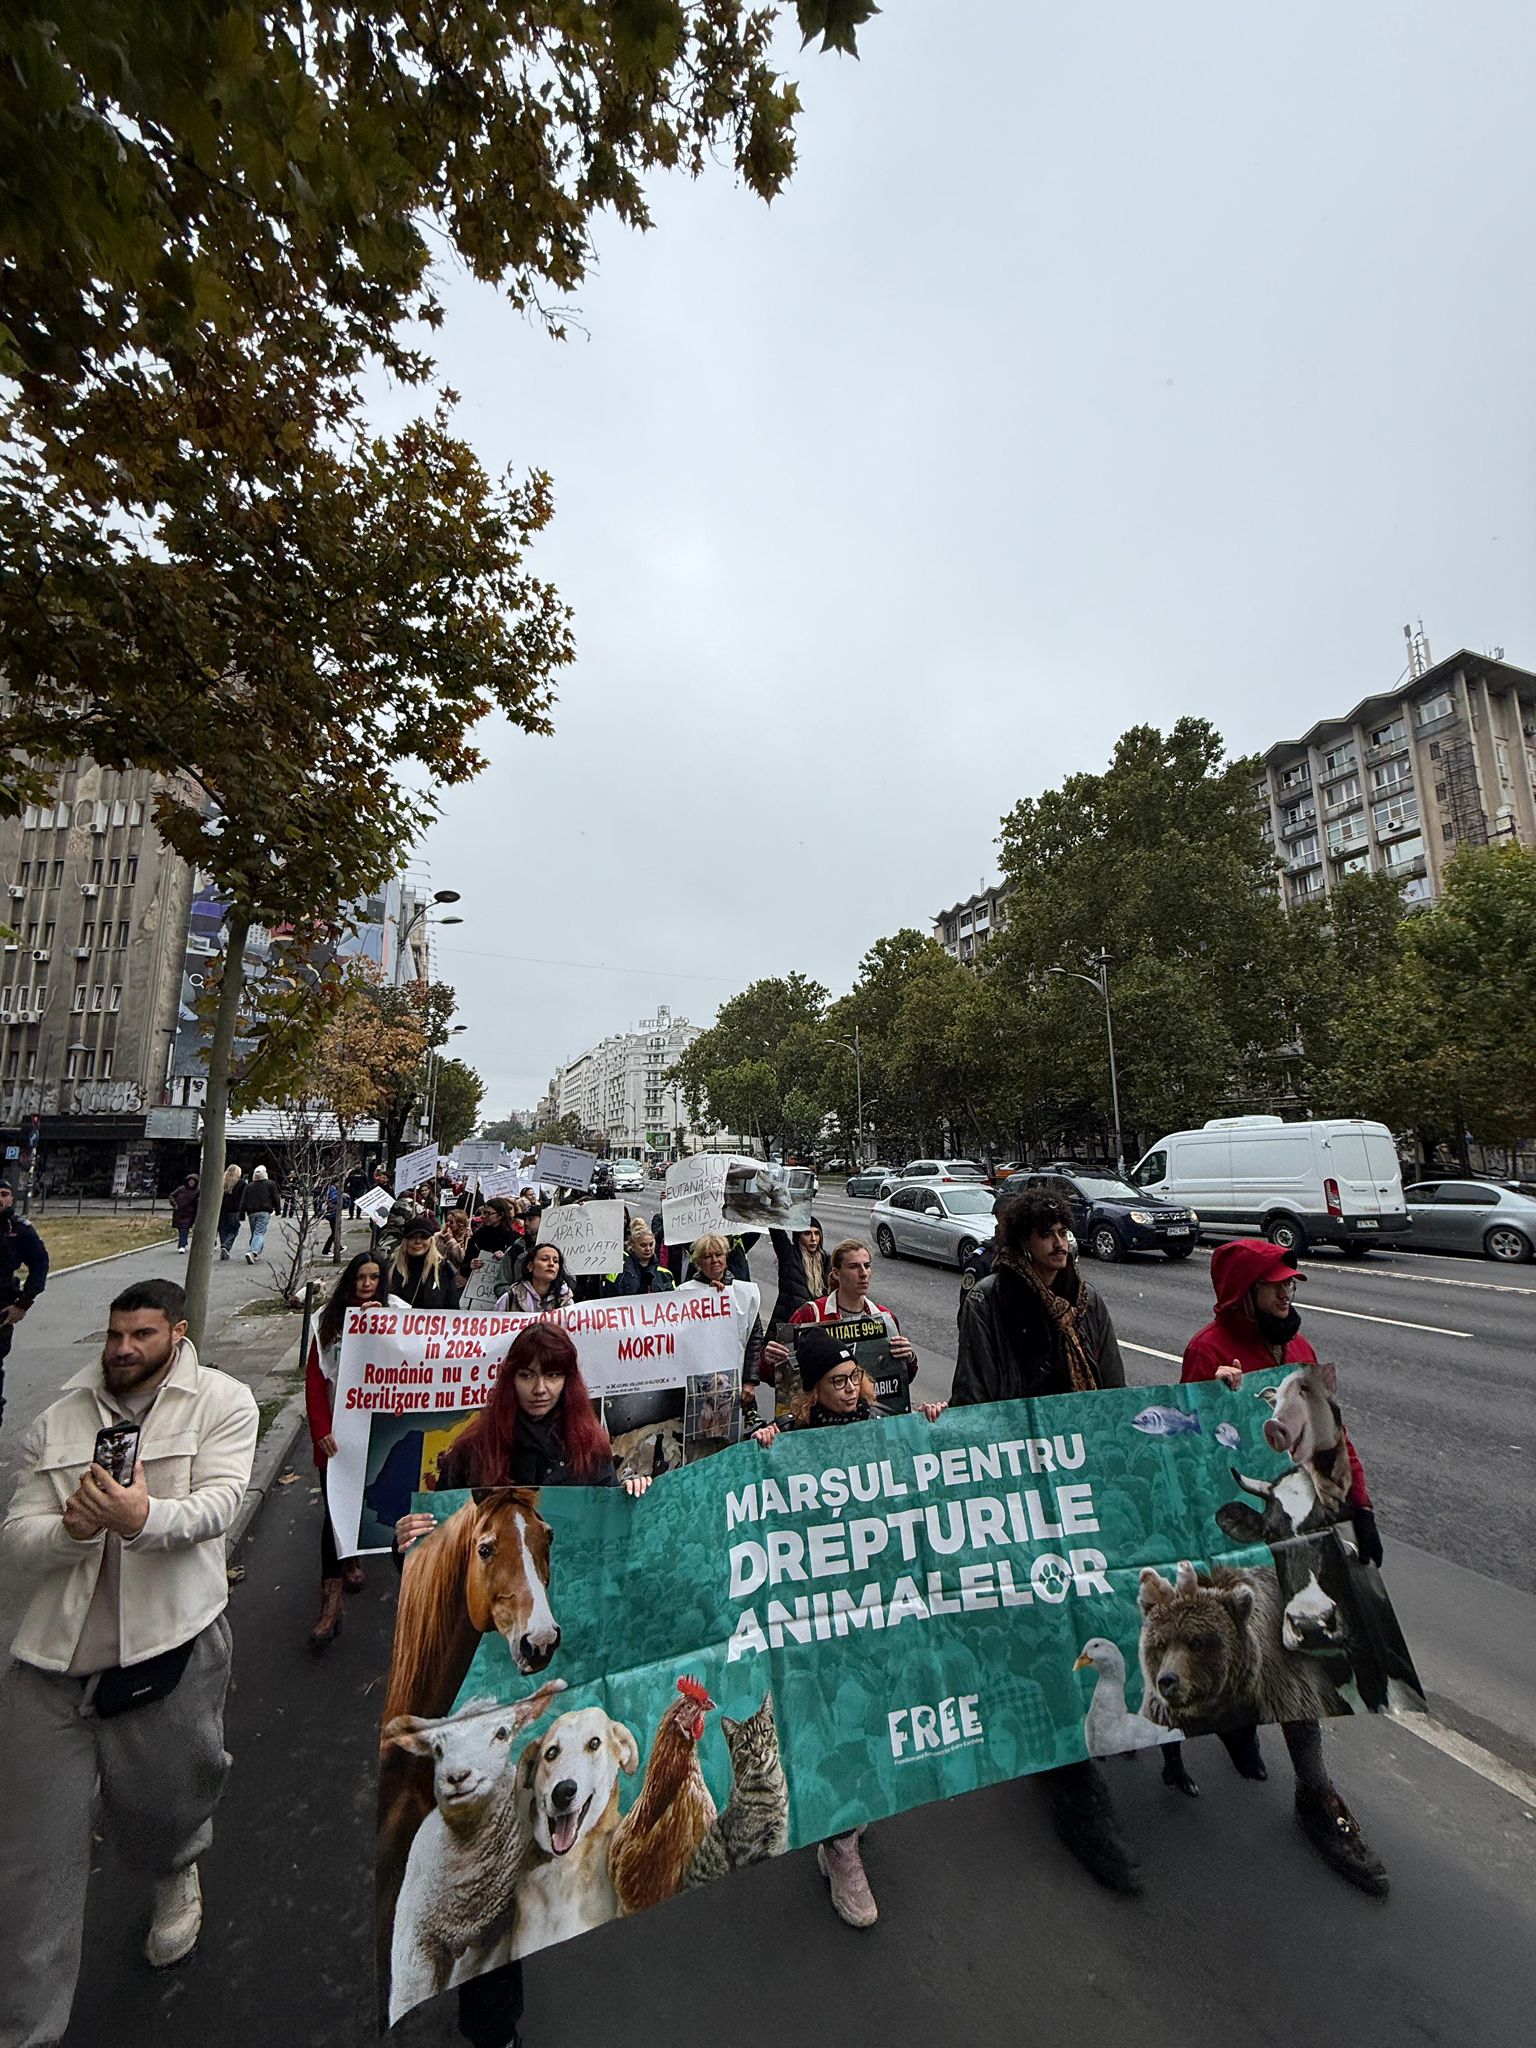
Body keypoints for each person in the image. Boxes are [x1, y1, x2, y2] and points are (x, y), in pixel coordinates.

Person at [0, 1278, 258, 2040]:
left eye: (140, 1335)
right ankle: (26, 2030)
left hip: (167, 1656)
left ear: (176, 1335)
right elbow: (17, 1537)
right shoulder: (57, 1419)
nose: (122, 1349)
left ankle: (176, 1866)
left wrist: (142, 1517)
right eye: (116, 1335)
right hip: (50, 1673)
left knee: (166, 1808)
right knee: (30, 1870)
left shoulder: (222, 1402)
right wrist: (70, 1533)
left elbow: (220, 1505)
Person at [393, 1323, 650, 2048]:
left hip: (564, 1673)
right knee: (496, 1863)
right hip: (490, 1686)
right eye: (527, 1374)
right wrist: (410, 1543)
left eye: (554, 1375)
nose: (540, 1388)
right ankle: (491, 2023)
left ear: (570, 1383)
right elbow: (440, 1569)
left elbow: (611, 1550)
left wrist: (632, 1494)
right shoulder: (474, 1451)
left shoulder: (590, 1449)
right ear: (510, 1379)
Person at [1180, 1238, 1388, 1895]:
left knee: (1302, 1656)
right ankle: (1238, 1725)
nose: (1287, 1296)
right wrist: (1218, 1407)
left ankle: (1314, 1790)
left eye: (1291, 1286)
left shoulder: (1296, 1350)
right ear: (1243, 1293)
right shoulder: (1206, 1351)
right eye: (1275, 1288)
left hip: (1302, 1531)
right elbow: (1185, 1451)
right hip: (1236, 1533)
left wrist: (1362, 1506)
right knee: (1243, 1648)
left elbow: (1331, 1438)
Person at [949, 1186, 1139, 1894]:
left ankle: (1091, 1725)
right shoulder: (989, 1301)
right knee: (1048, 1614)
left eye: (1066, 1230)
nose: (1061, 1243)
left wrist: (1114, 1456)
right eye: (1047, 1233)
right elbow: (978, 1396)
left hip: (1082, 1477)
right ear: (1019, 1241)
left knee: (1093, 1605)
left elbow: (1111, 1387)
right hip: (1025, 1484)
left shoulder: (1088, 1304)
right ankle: (1068, 1775)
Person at [754, 1326, 945, 1928]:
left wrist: (933, 1423)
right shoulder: (790, 1440)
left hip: (882, 1598)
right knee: (836, 1714)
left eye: (852, 1379)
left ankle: (852, 1822)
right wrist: (763, 1447)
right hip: (819, 1610)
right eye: (835, 1383)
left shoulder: (885, 1422)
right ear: (811, 1392)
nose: (850, 1391)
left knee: (880, 1708)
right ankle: (840, 1845)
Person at [304, 1252, 392, 1648]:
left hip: (379, 1430)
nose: (367, 1284)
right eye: (361, 1277)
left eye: (375, 1277)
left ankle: (356, 1555)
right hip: (338, 1432)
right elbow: (314, 1377)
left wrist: (382, 1324)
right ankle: (331, 1599)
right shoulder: (326, 1320)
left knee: (370, 1502)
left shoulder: (398, 1312)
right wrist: (320, 1428)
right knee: (335, 1510)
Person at [761, 1238, 917, 1407]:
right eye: (853, 1267)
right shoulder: (811, 1314)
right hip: (821, 1420)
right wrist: (769, 1359)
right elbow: (779, 1378)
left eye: (867, 1265)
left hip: (869, 1418)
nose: (863, 1273)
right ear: (836, 1272)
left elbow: (901, 1379)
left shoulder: (884, 1317)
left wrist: (908, 1358)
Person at [686, 1231, 766, 1389]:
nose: (715, 1260)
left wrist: (750, 1381)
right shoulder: (685, 1294)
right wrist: (707, 1297)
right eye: (708, 1256)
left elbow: (754, 1339)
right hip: (697, 1383)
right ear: (698, 1262)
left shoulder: (743, 1293)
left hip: (734, 1378)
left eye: (719, 1255)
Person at [0, 1180, 49, 1427]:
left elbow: (40, 1265)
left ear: (12, 1199)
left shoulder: (19, 1230)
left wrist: (23, 1303)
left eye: (4, 1194)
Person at [766, 1218, 829, 1340]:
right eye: (807, 1233)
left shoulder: (826, 1260)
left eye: (817, 1233)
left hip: (815, 1324)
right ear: (798, 1236)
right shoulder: (789, 1255)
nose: (813, 1239)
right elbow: (776, 1230)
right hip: (789, 1321)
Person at [388, 1213, 463, 1310]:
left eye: (423, 1237)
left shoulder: (445, 1269)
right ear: (405, 1240)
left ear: (431, 1240)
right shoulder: (391, 1269)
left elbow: (453, 1309)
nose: (418, 1241)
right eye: (412, 1237)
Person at [497, 1240, 574, 1315]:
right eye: (545, 1259)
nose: (551, 1264)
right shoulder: (510, 1298)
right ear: (530, 1266)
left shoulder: (566, 1301)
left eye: (556, 1261)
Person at [613, 1222, 676, 1296]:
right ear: (632, 1246)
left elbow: (674, 1299)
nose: (648, 1249)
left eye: (651, 1244)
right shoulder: (620, 1273)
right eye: (643, 1245)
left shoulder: (665, 1274)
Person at [241, 1164, 275, 1264]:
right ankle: (253, 1251)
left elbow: (243, 1200)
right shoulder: (270, 1184)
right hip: (264, 1211)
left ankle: (256, 1253)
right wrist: (277, 1209)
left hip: (251, 1212)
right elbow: (275, 1197)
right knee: (259, 1232)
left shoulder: (249, 1186)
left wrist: (242, 1213)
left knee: (255, 1232)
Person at [217, 1163, 245, 1260]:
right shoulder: (241, 1184)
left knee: (223, 1229)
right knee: (233, 1229)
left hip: (221, 1210)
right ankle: (226, 1246)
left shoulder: (221, 1182)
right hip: (234, 1210)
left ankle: (224, 1245)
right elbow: (243, 1198)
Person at [168, 1173, 201, 1254]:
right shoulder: (181, 1189)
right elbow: (172, 1195)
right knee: (181, 1229)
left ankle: (182, 1245)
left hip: (189, 1214)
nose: (191, 1183)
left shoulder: (197, 1191)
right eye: (190, 1181)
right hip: (179, 1212)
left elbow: (198, 1202)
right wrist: (174, 1204)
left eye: (193, 1181)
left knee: (184, 1229)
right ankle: (183, 1242)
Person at [437, 1208, 472, 1274]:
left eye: (451, 1222)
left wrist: (451, 1242)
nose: (447, 1224)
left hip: (456, 1277)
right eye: (447, 1221)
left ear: (460, 1225)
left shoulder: (467, 1239)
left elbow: (461, 1259)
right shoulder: (438, 1236)